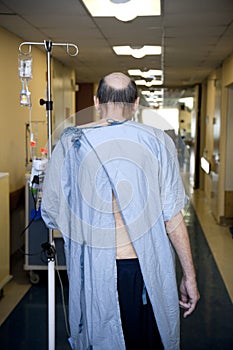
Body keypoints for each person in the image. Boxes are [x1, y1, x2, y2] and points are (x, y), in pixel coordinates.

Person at [41, 72, 200, 350]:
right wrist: (190, 276)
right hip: (144, 270)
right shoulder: (158, 142)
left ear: (96, 101)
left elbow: (53, 211)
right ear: (136, 103)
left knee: (101, 339)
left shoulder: (72, 142)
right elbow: (173, 218)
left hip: (95, 271)